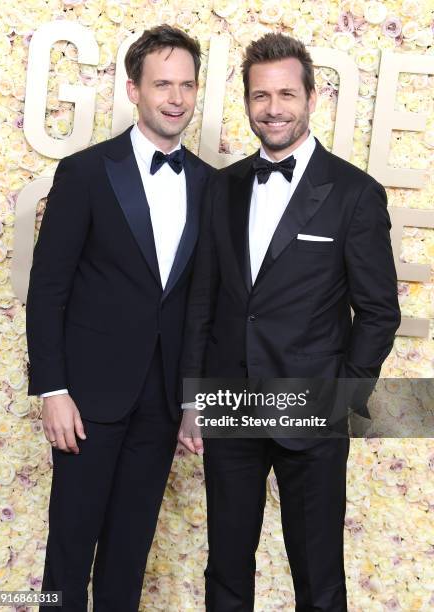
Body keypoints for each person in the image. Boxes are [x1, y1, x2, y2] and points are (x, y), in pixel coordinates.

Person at [179, 33, 400, 611]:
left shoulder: (354, 193)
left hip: (311, 406)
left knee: (318, 573)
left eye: (285, 94)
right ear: (246, 102)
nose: (272, 108)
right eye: (260, 96)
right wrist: (193, 398)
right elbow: (205, 300)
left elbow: (378, 311)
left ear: (310, 98)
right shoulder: (222, 188)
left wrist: (344, 396)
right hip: (230, 402)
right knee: (225, 568)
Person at [26, 24, 213, 611]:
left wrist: (192, 399)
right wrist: (52, 389)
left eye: (186, 85)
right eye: (162, 84)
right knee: (68, 554)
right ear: (133, 89)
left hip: (161, 404)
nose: (176, 98)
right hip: (86, 402)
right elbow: (47, 288)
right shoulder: (85, 172)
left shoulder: (211, 185)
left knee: (129, 557)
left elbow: (201, 302)